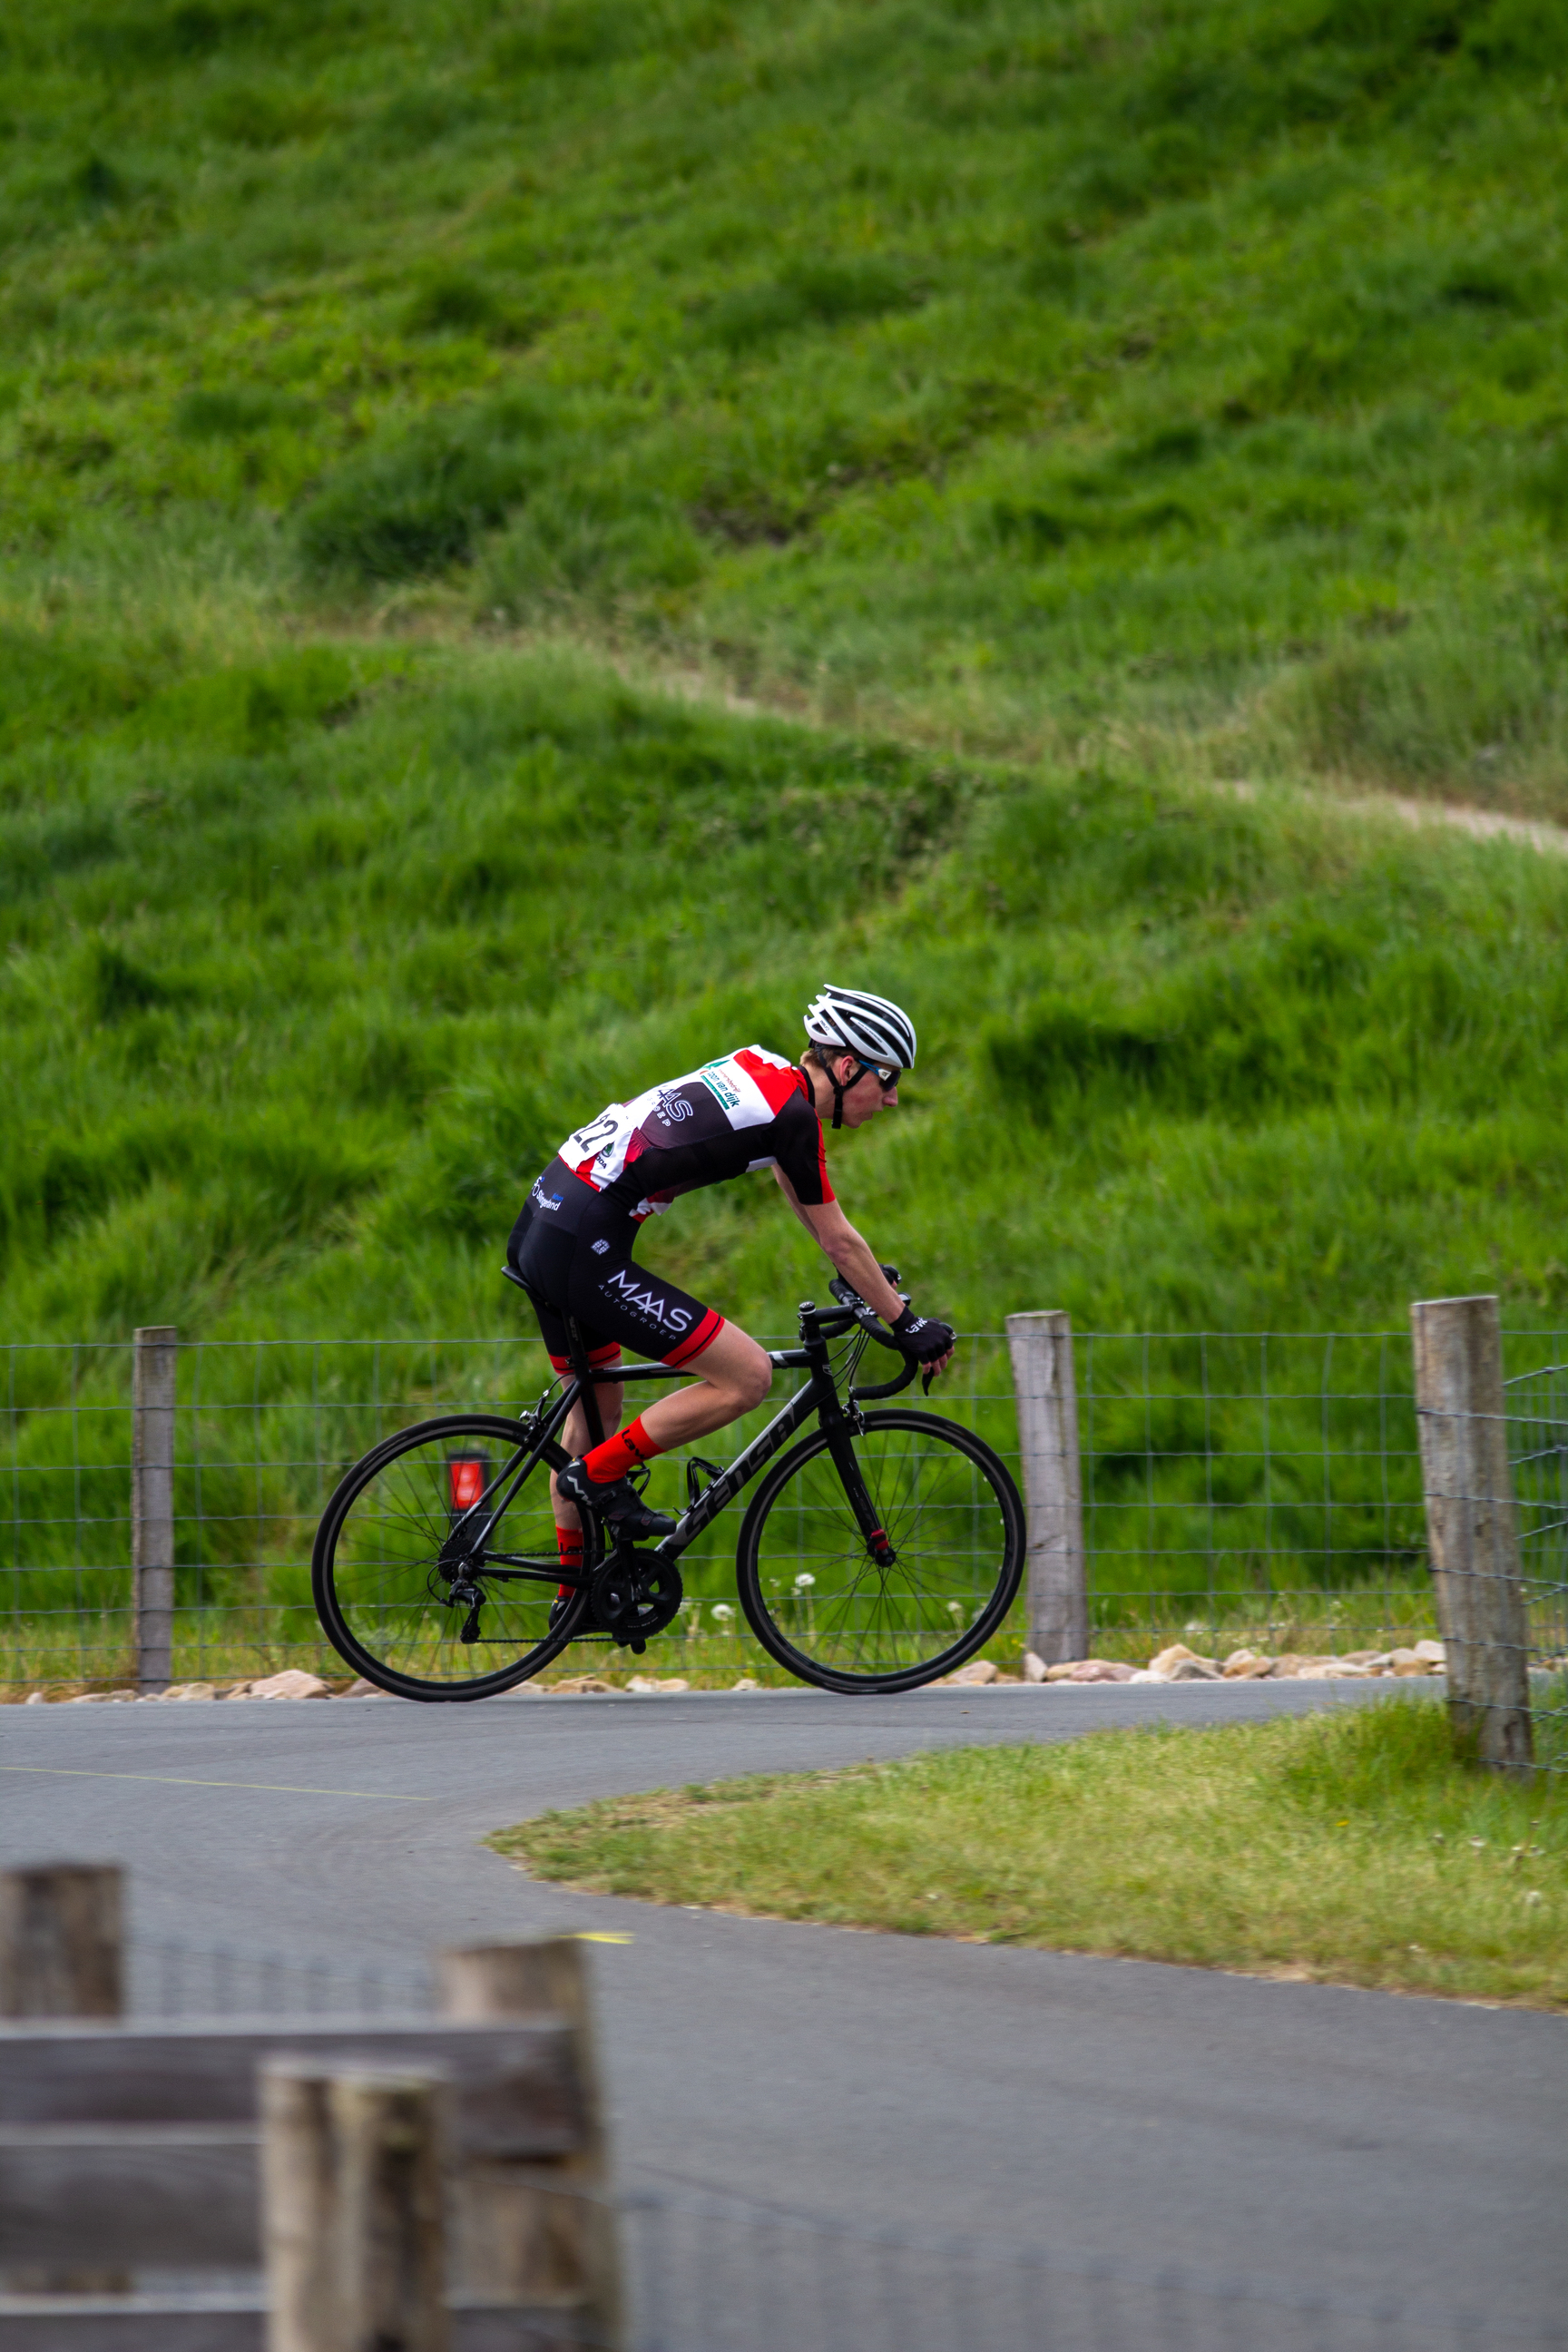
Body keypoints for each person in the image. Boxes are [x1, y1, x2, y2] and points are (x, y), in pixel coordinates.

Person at [505, 986, 956, 1577]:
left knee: (599, 1406)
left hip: (546, 1220)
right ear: (848, 1068)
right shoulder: (793, 1118)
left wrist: (869, 1286)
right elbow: (838, 1237)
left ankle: (575, 1596)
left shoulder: (763, 1074)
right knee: (747, 1376)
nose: (893, 1099)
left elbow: (810, 1210)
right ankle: (596, 1476)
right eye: (888, 1080)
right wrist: (906, 1322)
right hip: (582, 1243)